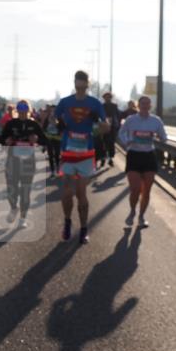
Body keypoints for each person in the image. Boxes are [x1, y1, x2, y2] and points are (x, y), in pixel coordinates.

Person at [55, 71, 105, 244]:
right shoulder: (65, 102)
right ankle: (67, 222)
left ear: (87, 83)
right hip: (68, 153)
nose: (80, 82)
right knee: (67, 192)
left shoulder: (95, 104)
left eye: (83, 80)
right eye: (77, 79)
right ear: (74, 82)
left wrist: (98, 122)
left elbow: (105, 128)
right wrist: (58, 124)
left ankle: (83, 229)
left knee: (81, 193)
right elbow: (52, 123)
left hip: (86, 154)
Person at [119, 95, 168, 228]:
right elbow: (121, 133)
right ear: (138, 106)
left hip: (149, 156)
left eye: (147, 104)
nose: (145, 106)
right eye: (143, 104)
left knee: (146, 190)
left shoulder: (156, 121)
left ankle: (141, 216)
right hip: (134, 155)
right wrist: (126, 141)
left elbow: (164, 137)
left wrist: (160, 137)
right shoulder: (131, 120)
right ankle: (132, 211)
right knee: (135, 189)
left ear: (150, 106)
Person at [1, 100, 45, 228]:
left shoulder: (33, 124)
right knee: (11, 190)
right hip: (12, 161)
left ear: (28, 110)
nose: (22, 111)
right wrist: (6, 140)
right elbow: (1, 138)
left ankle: (22, 218)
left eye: (25, 108)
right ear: (17, 110)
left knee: (25, 191)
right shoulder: (10, 123)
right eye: (20, 108)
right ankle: (13, 208)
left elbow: (44, 139)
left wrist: (37, 139)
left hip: (28, 162)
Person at [40, 104, 62, 178]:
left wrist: (56, 123)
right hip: (49, 139)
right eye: (51, 110)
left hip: (57, 139)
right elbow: (43, 129)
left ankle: (58, 170)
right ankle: (52, 171)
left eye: (54, 110)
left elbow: (63, 128)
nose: (53, 112)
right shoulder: (47, 118)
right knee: (50, 155)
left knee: (57, 155)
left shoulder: (59, 118)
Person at [102, 92, 121, 168]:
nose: (107, 98)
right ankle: (103, 158)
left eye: (109, 97)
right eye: (106, 97)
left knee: (111, 143)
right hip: (104, 126)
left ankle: (110, 159)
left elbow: (118, 115)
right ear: (104, 98)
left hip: (113, 127)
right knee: (103, 143)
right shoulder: (102, 106)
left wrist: (117, 125)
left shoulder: (114, 106)